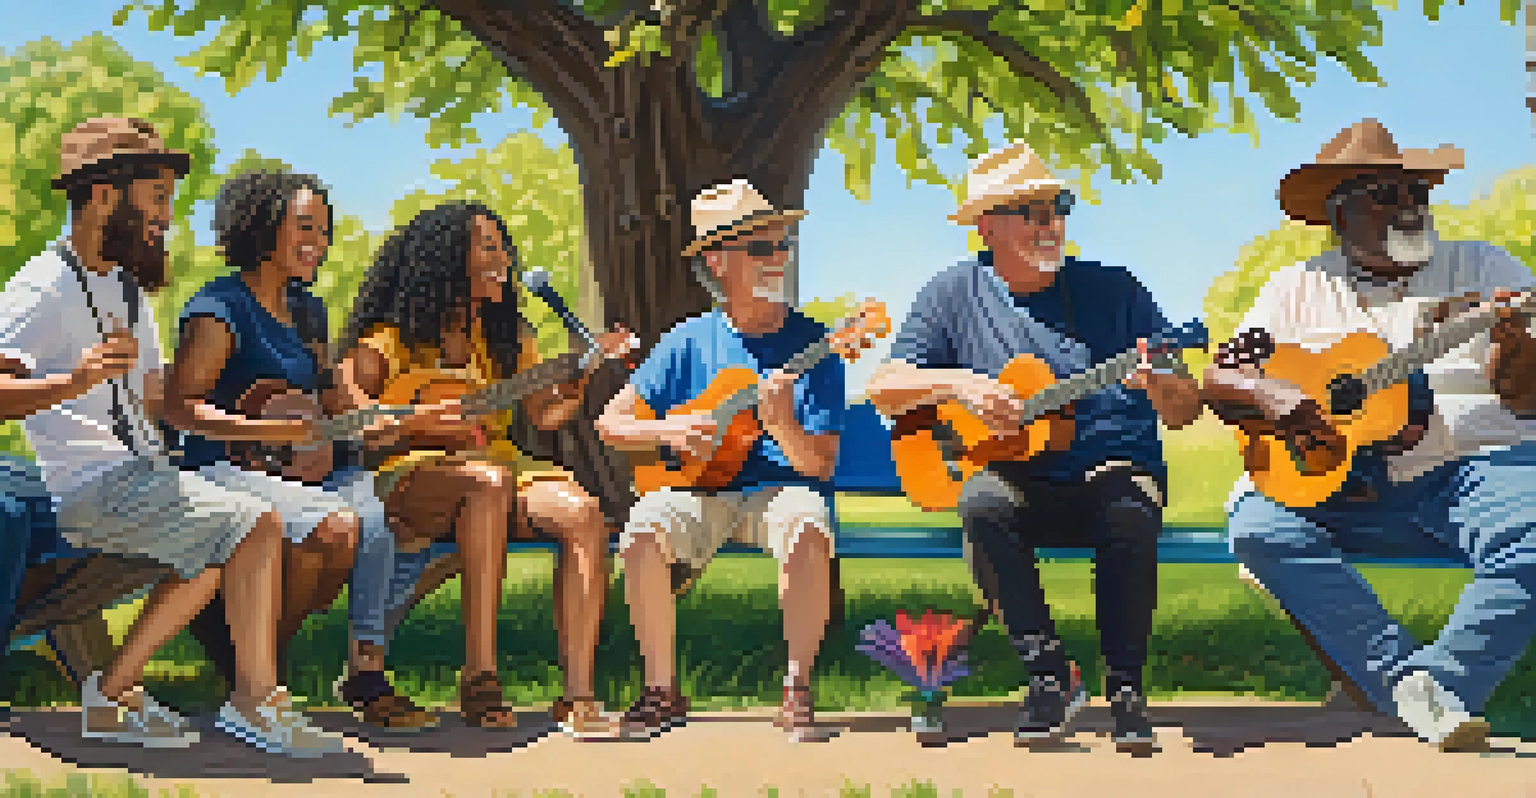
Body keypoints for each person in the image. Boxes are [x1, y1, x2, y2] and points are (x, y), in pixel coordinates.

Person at [0, 117, 346, 755]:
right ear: (104, 194)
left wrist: (257, 430)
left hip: (145, 474)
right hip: (92, 486)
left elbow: (158, 396)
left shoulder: (124, 285)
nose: (167, 213)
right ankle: (254, 703)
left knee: (224, 546)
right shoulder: (42, 287)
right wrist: (73, 380)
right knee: (256, 525)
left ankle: (114, 692)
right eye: (156, 197)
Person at [1203, 119, 1536, 752]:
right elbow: (1221, 379)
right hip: (1348, 482)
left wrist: (1513, 340)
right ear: (1339, 215)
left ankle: (1432, 687)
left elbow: (1528, 397)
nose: (1408, 206)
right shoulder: (1297, 288)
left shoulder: (1486, 267)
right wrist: (1275, 394)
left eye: (1416, 192)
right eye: (1385, 194)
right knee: (1257, 527)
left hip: (1482, 465)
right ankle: (1410, 684)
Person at [863, 141, 1203, 753]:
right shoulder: (951, 294)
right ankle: (1050, 674)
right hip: (1020, 478)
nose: (1050, 223)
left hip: (1112, 467)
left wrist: (1165, 383)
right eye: (1031, 210)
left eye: (1058, 207)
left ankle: (1126, 688)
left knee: (1128, 513)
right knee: (982, 504)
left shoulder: (1116, 291)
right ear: (987, 226)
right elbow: (885, 387)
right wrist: (959, 383)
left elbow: (1184, 414)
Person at [332, 201, 627, 735]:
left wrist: (576, 384)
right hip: (414, 473)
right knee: (486, 484)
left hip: (497, 465)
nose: (503, 260)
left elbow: (544, 416)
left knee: (581, 513)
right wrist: (419, 418)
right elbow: (354, 420)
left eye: (503, 248)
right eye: (487, 247)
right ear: (445, 258)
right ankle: (480, 674)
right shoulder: (388, 340)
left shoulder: (509, 336)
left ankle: (578, 694)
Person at [163, 168, 435, 731]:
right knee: (335, 529)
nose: (319, 242)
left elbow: (328, 390)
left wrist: (376, 421)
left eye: (324, 230)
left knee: (374, 523)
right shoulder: (219, 308)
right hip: (218, 468)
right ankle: (258, 672)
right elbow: (181, 408)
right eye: (304, 227)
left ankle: (365, 672)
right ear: (261, 228)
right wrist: (258, 431)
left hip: (300, 473)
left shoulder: (307, 310)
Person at [595, 179, 844, 742]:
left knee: (807, 521)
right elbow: (611, 423)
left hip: (780, 490)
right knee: (640, 532)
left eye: (783, 244)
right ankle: (661, 690)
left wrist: (781, 423)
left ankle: (797, 688)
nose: (778, 256)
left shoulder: (818, 346)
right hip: (696, 492)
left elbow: (820, 466)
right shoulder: (687, 341)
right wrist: (672, 427)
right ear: (717, 260)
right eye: (761, 248)